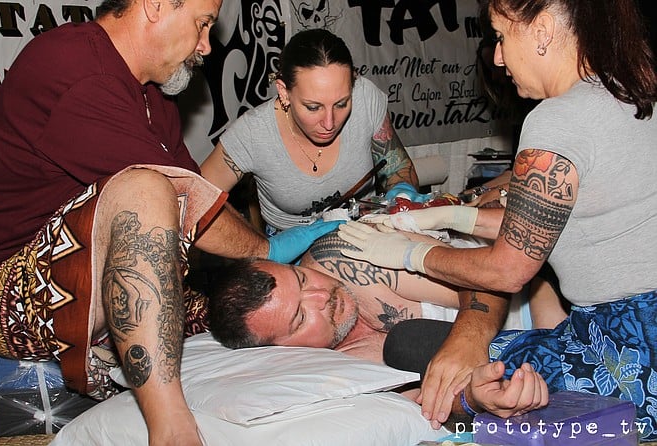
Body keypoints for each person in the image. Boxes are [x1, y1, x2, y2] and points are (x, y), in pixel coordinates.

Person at [0, 0, 333, 444]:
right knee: (148, 190)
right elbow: (185, 205)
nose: (206, 46)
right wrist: (264, 249)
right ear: (155, 6)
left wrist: (267, 252)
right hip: (2, 285)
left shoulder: (153, 95)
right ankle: (170, 428)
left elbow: (206, 198)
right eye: (202, 24)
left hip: (80, 268)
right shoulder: (72, 67)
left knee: (254, 301)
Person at [338, 0, 657, 438]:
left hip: (629, 348)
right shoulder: (629, 88)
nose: (498, 56)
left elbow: (509, 268)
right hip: (638, 327)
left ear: (542, 30)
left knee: (455, 386)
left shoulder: (557, 119)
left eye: (503, 36)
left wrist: (414, 253)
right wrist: (451, 217)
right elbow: (551, 220)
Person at [201, 230, 548, 421]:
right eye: (300, 318)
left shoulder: (347, 258)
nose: (322, 296)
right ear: (281, 352)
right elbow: (431, 404)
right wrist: (477, 398)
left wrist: (467, 341)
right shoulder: (330, 379)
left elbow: (488, 278)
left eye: (302, 279)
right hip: (523, 369)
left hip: (539, 298)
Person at [200, 28, 419, 233]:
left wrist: (401, 197)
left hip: (365, 231)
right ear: (284, 92)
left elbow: (397, 167)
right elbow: (193, 204)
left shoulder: (365, 97)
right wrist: (260, 248)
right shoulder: (252, 133)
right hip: (294, 251)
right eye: (313, 107)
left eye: (342, 103)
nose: (330, 123)